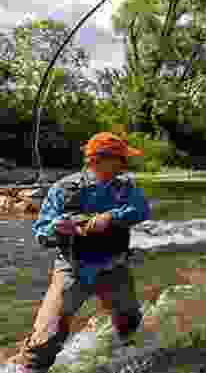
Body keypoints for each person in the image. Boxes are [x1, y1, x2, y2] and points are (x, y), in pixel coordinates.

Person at [8, 132, 152, 373]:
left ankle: (130, 359)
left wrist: (110, 217)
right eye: (121, 159)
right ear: (99, 160)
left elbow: (140, 210)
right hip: (72, 269)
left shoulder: (126, 187)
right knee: (45, 338)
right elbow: (41, 233)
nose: (125, 165)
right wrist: (57, 229)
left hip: (114, 267)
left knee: (129, 322)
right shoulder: (63, 189)